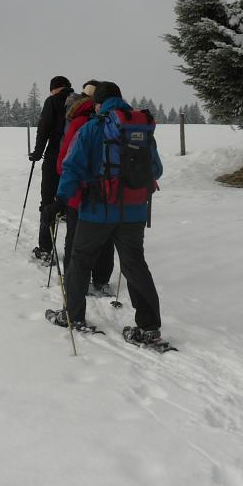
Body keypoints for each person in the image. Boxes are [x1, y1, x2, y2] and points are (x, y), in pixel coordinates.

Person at [45, 81, 165, 345]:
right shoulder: (141, 128)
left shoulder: (91, 128)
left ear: (98, 103)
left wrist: (60, 201)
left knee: (80, 261)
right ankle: (149, 327)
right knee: (135, 266)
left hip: (97, 210)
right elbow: (156, 170)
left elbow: (72, 168)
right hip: (134, 212)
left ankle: (73, 316)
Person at [56, 80, 115, 295]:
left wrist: (63, 190)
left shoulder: (80, 121)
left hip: (80, 190)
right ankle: (101, 279)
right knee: (106, 236)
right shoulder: (118, 122)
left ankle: (73, 283)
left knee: (75, 237)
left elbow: (65, 159)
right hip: (111, 191)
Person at [29, 76, 73, 263]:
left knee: (47, 202)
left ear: (55, 88)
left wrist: (37, 153)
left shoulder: (53, 101)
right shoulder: (80, 102)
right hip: (75, 161)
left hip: (55, 158)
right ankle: (72, 251)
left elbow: (44, 129)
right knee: (72, 205)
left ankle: (46, 249)